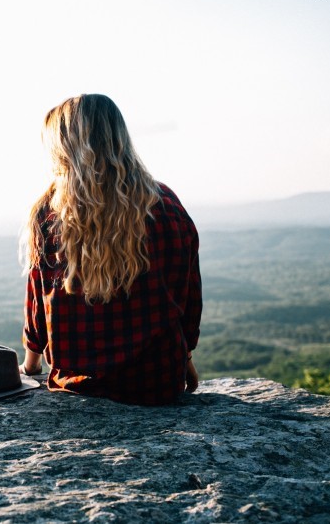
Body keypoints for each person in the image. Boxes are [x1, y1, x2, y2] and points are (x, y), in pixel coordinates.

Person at [20, 94, 202, 405]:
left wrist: (30, 367)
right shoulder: (165, 205)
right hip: (157, 382)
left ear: (63, 150)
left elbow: (39, 310)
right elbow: (186, 298)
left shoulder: (49, 214)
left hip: (78, 387)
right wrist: (184, 361)